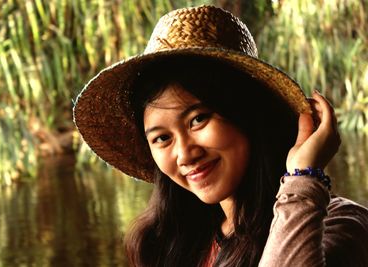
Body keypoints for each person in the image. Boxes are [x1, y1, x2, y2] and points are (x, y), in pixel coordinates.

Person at [73, 5, 368, 267]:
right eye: (162, 138)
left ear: (247, 114)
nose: (185, 154)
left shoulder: (338, 225)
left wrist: (303, 176)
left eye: (198, 120)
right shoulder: (172, 243)